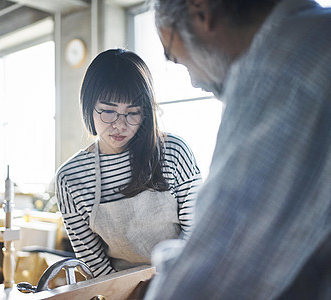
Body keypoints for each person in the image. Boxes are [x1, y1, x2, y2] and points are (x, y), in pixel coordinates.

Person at [144, 0, 331, 299]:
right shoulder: (318, 30)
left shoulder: (277, 70)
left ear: (201, 11)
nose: (195, 81)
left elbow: (213, 274)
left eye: (174, 56)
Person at [55, 49, 202, 277]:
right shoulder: (71, 178)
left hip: (179, 281)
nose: (120, 125)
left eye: (133, 113)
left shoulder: (173, 152)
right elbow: (93, 263)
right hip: (118, 290)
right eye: (108, 111)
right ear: (88, 106)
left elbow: (196, 235)